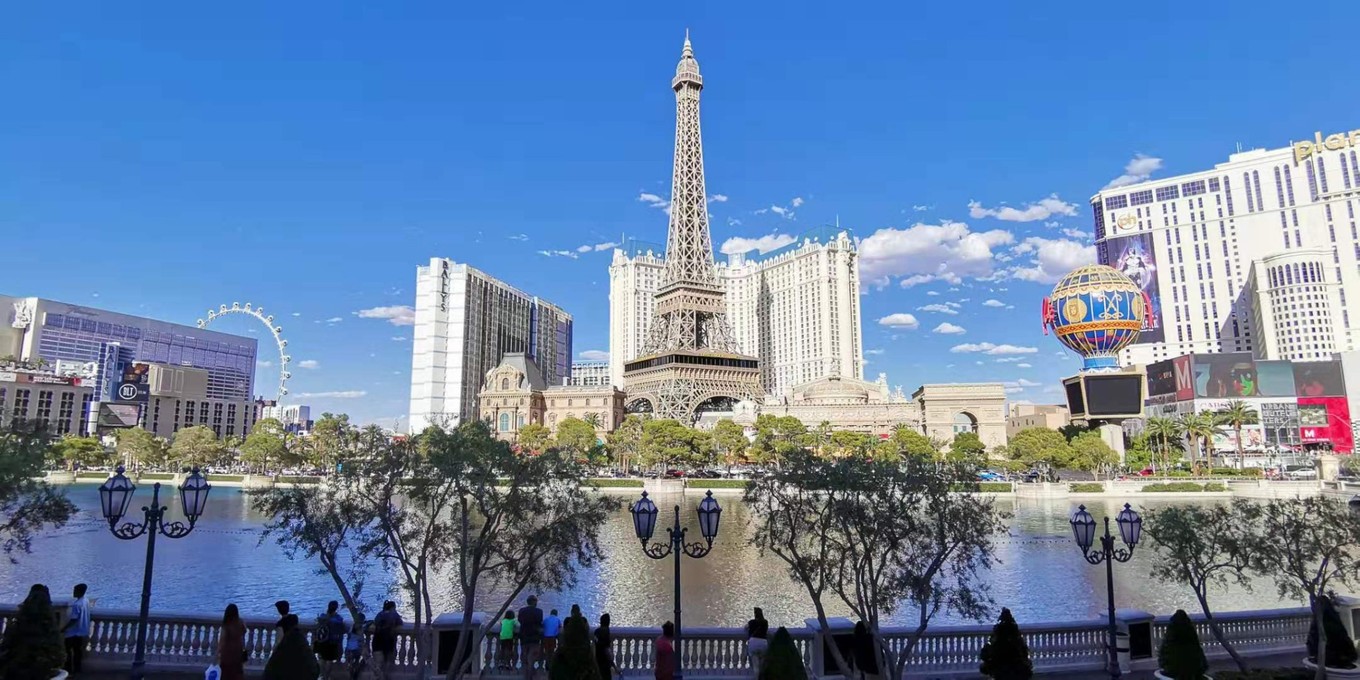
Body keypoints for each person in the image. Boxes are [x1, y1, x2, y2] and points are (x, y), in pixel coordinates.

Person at [62, 583, 91, 674]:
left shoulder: (76, 605)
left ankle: (68, 670)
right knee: (78, 652)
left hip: (74, 633)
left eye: (74, 590)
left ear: (79, 591)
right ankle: (77, 670)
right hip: (83, 631)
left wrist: (63, 628)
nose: (73, 592)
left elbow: (74, 620)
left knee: (68, 651)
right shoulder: (85, 601)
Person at [371, 601, 403, 680]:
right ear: (392, 607)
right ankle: (384, 677)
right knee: (387, 660)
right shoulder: (394, 615)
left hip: (377, 639)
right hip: (388, 640)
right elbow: (400, 624)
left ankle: (376, 677)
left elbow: (374, 624)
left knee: (378, 662)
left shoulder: (379, 614)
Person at [314, 600, 346, 677]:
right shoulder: (338, 619)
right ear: (336, 608)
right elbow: (340, 631)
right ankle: (326, 676)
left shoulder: (322, 616)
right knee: (329, 660)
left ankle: (322, 675)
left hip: (321, 641)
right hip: (332, 642)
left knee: (321, 659)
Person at [518, 596, 545, 679]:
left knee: (525, 657)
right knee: (531, 658)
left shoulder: (522, 611)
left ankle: (528, 675)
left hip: (523, 636)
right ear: (534, 602)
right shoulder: (539, 611)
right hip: (534, 637)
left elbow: (520, 620)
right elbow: (539, 622)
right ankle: (530, 676)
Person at [218, 604, 247, 680]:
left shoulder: (226, 624)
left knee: (225, 674)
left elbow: (222, 641)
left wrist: (217, 654)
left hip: (227, 653)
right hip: (238, 651)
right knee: (237, 673)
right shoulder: (240, 622)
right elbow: (244, 632)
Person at [745, 607, 769, 675]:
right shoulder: (765, 622)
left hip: (753, 643)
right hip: (763, 643)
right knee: (762, 666)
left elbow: (745, 627)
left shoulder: (751, 622)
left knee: (756, 666)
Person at [594, 613, 617, 680]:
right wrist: (614, 667)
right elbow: (607, 651)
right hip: (605, 663)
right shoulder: (606, 631)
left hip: (597, 661)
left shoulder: (596, 631)